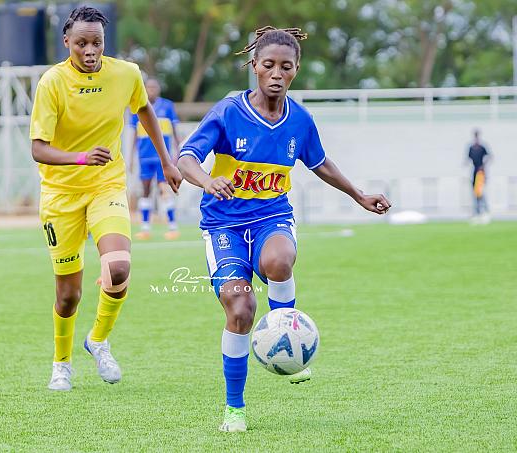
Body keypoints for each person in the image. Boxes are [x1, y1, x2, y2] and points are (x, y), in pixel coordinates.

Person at [177, 26, 391, 432]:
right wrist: (206, 180)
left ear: (296, 70)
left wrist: (358, 194)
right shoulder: (228, 111)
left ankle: (285, 334)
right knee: (240, 309)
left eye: (286, 66)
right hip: (223, 225)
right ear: (254, 66)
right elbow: (186, 157)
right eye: (269, 65)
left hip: (271, 216)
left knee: (278, 261)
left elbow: (320, 163)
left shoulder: (300, 120)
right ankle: (235, 409)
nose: (277, 73)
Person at [29, 6, 182, 391]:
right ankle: (61, 363)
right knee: (68, 295)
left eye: (96, 42)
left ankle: (98, 340)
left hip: (106, 186)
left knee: (118, 268)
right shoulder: (52, 83)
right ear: (67, 42)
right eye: (81, 43)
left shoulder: (126, 74)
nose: (90, 50)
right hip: (61, 196)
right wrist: (81, 157)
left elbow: (144, 110)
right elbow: (38, 148)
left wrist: (167, 161)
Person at [129, 78, 182, 240]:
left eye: (154, 87)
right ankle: (145, 228)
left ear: (158, 89)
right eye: (149, 87)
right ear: (144, 89)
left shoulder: (167, 106)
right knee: (145, 190)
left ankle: (172, 227)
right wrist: (131, 158)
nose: (151, 89)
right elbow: (134, 134)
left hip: (162, 157)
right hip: (144, 157)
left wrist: (178, 151)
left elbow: (175, 131)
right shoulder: (137, 106)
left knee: (164, 189)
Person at [467, 129, 491, 223]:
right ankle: (478, 212)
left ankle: (485, 211)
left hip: (480, 172)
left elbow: (489, 156)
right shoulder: (471, 148)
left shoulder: (482, 147)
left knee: (479, 192)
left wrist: (483, 165)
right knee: (475, 193)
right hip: (474, 172)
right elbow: (468, 159)